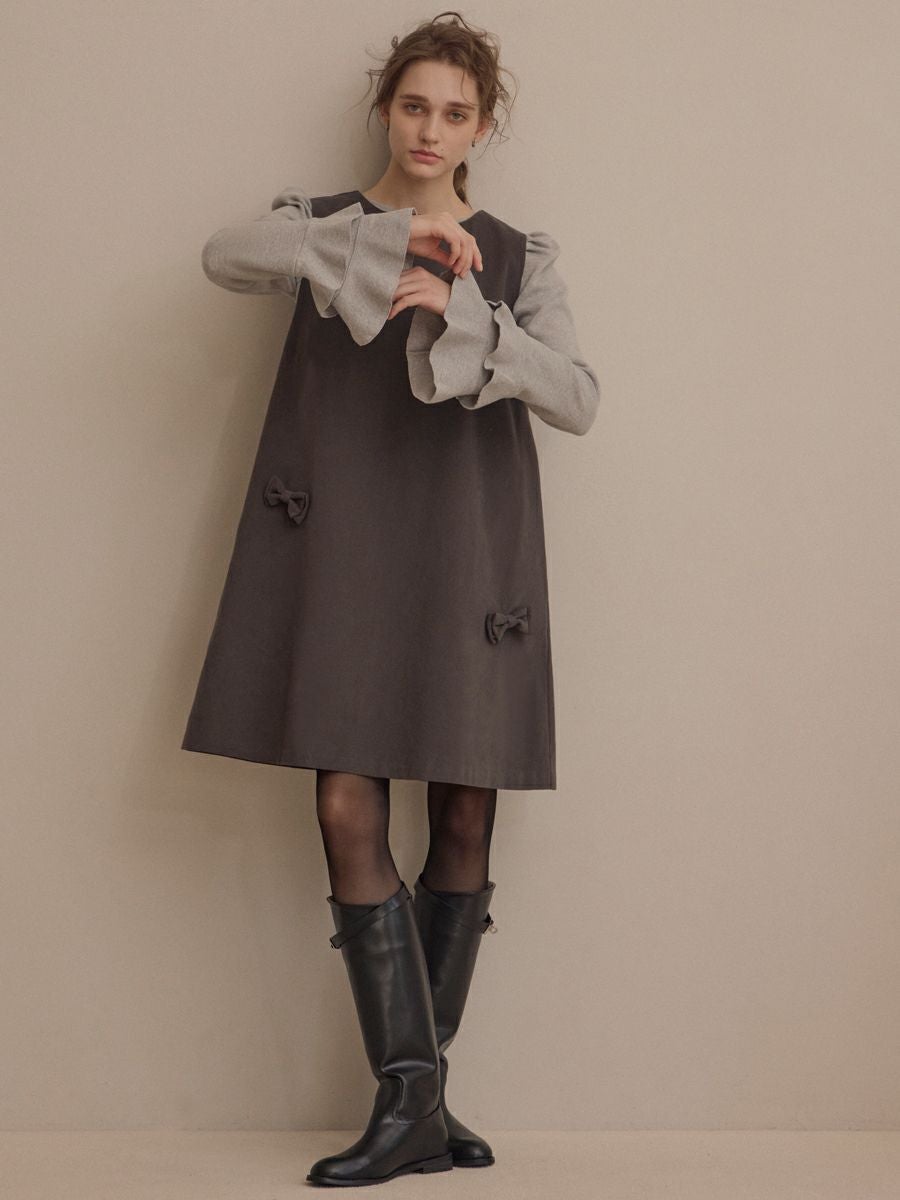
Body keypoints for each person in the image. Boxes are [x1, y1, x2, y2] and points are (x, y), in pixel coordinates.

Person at [181, 9, 600, 1188]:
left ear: (482, 127)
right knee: (345, 802)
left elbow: (577, 396)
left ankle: (413, 1102)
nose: (431, 128)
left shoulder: (520, 255)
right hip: (344, 551)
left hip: (470, 548)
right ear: (385, 109)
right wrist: (387, 242)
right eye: (414, 105)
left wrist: (469, 313)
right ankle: (418, 1105)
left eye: (455, 113)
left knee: (464, 812)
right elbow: (223, 255)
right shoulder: (317, 226)